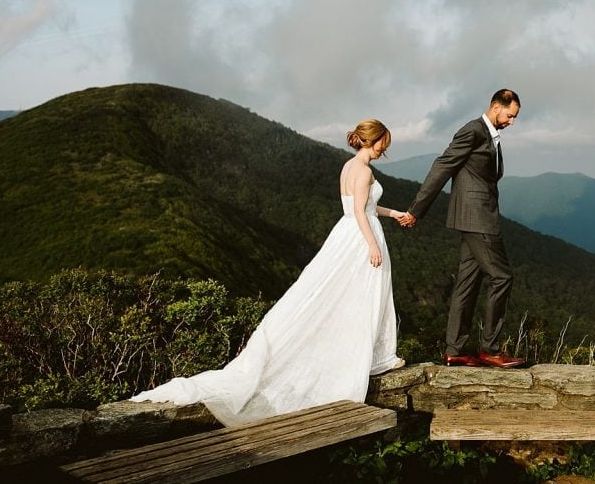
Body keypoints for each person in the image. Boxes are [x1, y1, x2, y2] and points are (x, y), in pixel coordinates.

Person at [131, 119, 408, 426]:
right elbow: (360, 212)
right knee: (362, 296)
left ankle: (367, 355)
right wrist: (372, 245)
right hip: (359, 238)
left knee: (345, 295)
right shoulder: (365, 171)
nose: (385, 149)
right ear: (374, 140)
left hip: (346, 234)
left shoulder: (348, 166)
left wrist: (393, 213)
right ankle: (373, 357)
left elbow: (364, 206)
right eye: (384, 143)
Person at [399, 89, 524, 368]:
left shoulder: (488, 134)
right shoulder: (473, 131)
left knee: (467, 282)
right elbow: (442, 166)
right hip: (477, 218)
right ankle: (490, 349)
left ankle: (454, 350)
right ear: (495, 107)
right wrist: (416, 209)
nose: (512, 121)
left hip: (474, 217)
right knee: (502, 277)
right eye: (510, 115)